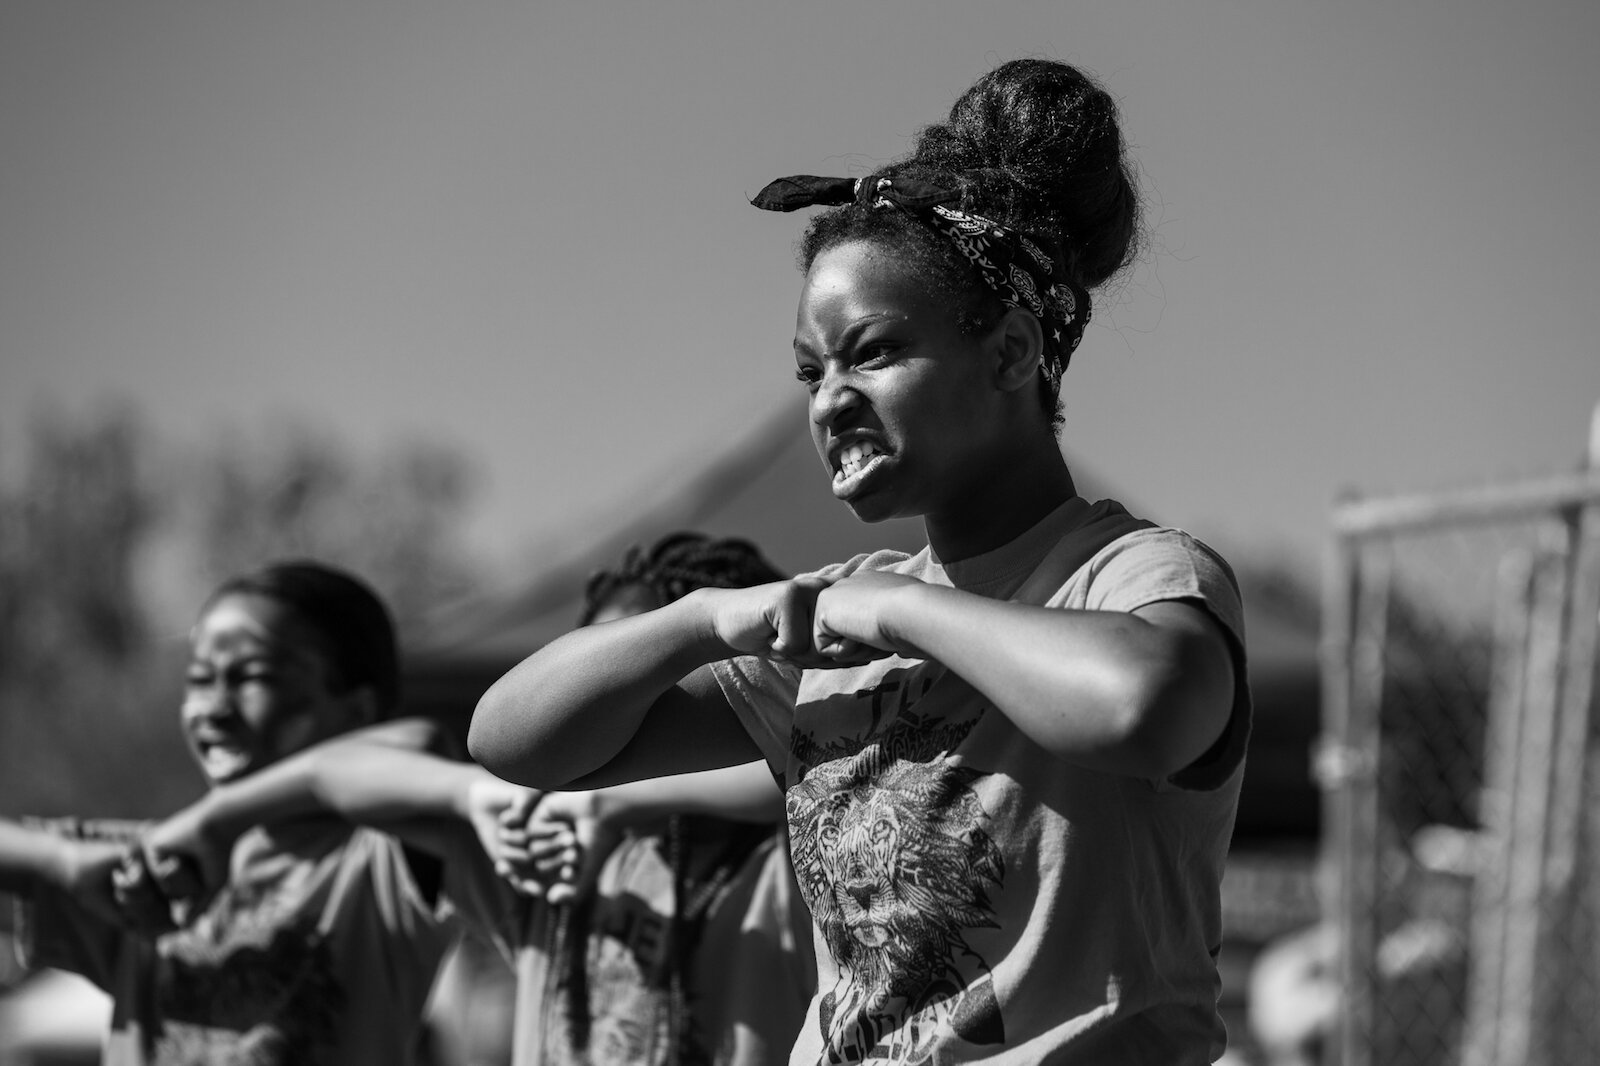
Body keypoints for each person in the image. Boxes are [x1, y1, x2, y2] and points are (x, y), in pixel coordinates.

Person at [469, 57, 1251, 1066]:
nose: (829, 399)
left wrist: (902, 611)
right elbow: (514, 741)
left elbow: (1140, 708)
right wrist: (705, 621)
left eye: (872, 351)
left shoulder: (1133, 574)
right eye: (811, 369)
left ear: (1012, 353)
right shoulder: (835, 621)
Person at [0, 560, 504, 1065]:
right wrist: (61, 861)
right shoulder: (148, 869)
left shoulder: (381, 860)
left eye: (254, 676)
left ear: (357, 711)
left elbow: (420, 743)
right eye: (199, 679)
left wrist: (218, 820)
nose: (213, 707)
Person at [510, 531, 816, 1066]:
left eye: (654, 670)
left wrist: (617, 802)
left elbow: (799, 764)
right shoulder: (558, 851)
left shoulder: (791, 851)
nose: (608, 702)